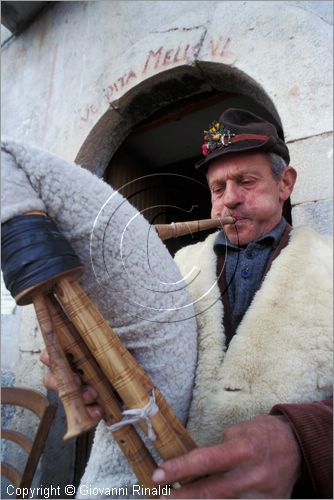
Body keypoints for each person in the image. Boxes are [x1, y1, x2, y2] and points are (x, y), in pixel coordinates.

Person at [40, 108, 332, 498]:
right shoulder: (174, 268)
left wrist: (303, 438)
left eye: (245, 181)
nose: (229, 200)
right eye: (217, 188)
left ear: (285, 184)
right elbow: (144, 358)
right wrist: (95, 369)